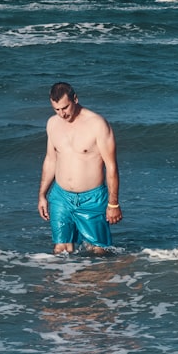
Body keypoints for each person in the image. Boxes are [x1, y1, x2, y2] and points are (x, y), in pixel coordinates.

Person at [38, 82, 122, 254]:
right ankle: (65, 281)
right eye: (57, 109)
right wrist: (42, 195)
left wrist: (113, 204)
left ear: (75, 99)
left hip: (92, 199)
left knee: (99, 251)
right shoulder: (53, 124)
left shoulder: (97, 124)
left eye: (65, 107)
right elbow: (50, 160)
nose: (62, 114)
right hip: (61, 196)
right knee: (61, 249)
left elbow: (111, 167)